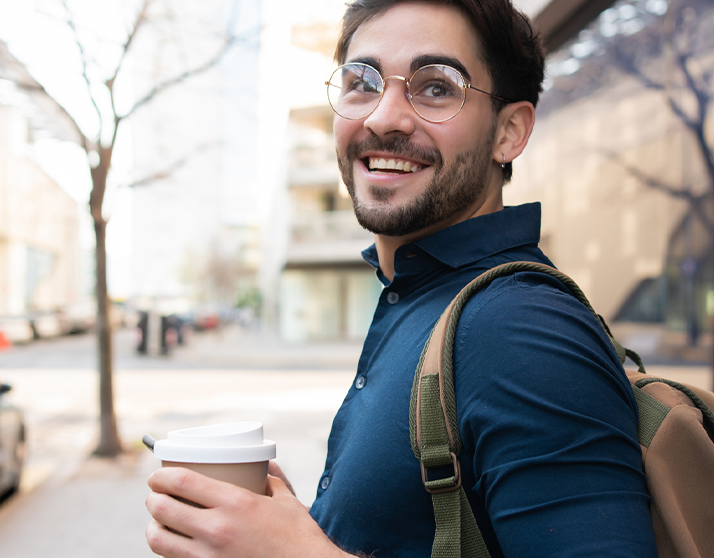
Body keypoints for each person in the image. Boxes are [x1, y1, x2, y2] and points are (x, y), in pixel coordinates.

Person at [146, 1, 658, 556]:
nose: (383, 117)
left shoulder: (520, 327)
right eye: (361, 82)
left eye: (436, 87)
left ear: (508, 133)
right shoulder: (423, 296)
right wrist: (291, 530)